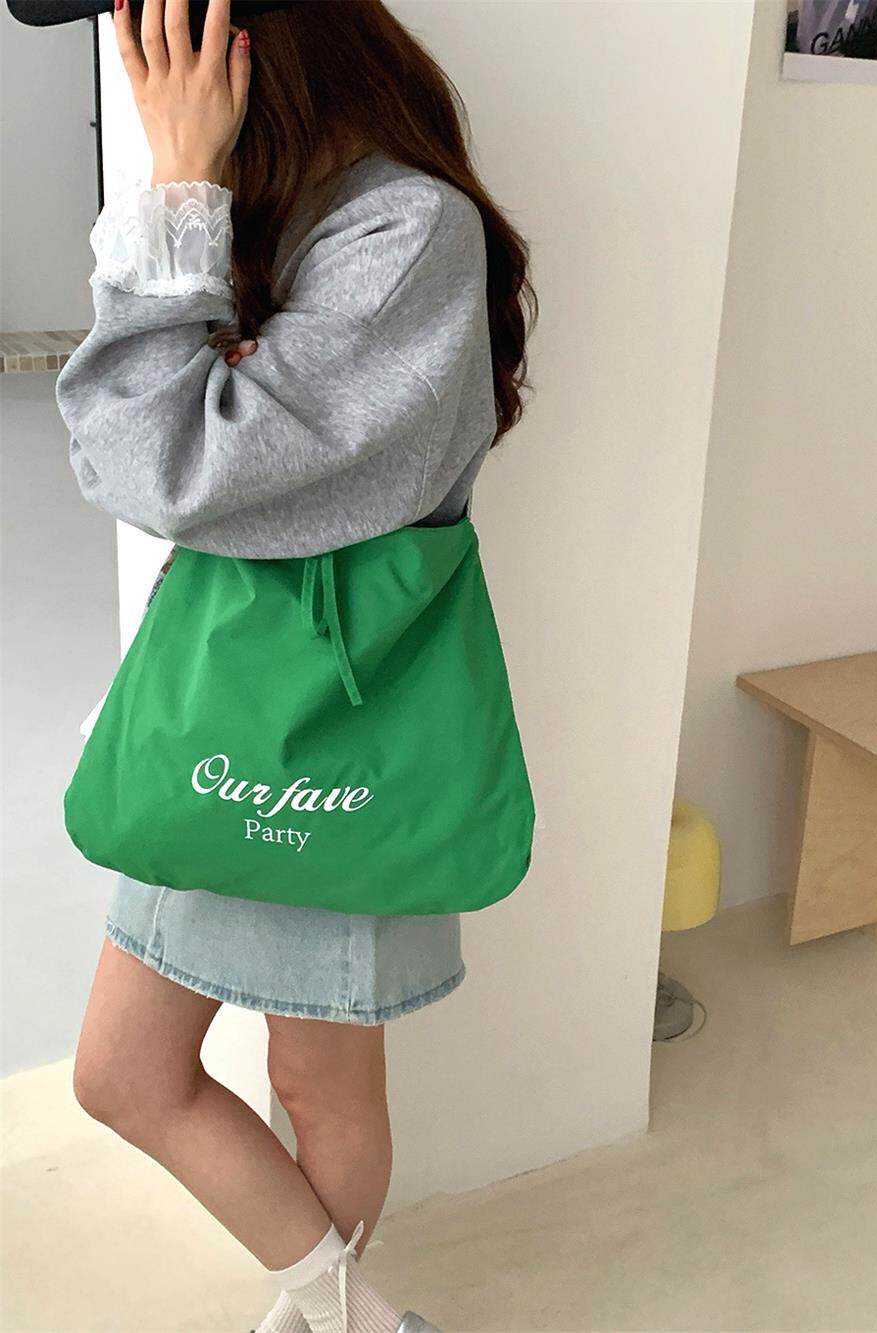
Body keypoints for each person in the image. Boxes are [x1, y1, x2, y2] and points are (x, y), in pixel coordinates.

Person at [48, 2, 537, 1330]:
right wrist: (183, 204)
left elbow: (168, 467)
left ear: (245, 46)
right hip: (233, 714)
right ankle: (352, 1315)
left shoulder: (406, 231)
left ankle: (327, 1317)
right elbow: (139, 454)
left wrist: (179, 189)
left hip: (332, 719)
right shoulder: (264, 217)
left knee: (317, 1083)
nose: (140, 75)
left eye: (153, 41)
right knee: (125, 1074)